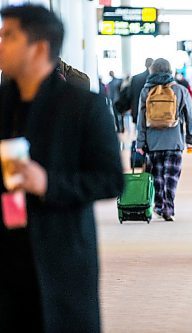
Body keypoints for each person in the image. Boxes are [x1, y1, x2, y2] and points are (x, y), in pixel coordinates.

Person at [0, 5, 123, 332]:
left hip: (64, 253)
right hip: (7, 254)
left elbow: (111, 180)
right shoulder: (3, 104)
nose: (1, 45)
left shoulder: (84, 105)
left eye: (9, 37)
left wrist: (48, 184)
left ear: (39, 47)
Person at [136, 58, 192, 222]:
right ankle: (169, 207)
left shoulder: (146, 91)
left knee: (157, 176)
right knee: (171, 177)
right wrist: (190, 139)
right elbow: (190, 116)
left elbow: (141, 119)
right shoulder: (180, 90)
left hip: (153, 142)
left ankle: (159, 206)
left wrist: (140, 143)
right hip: (174, 141)